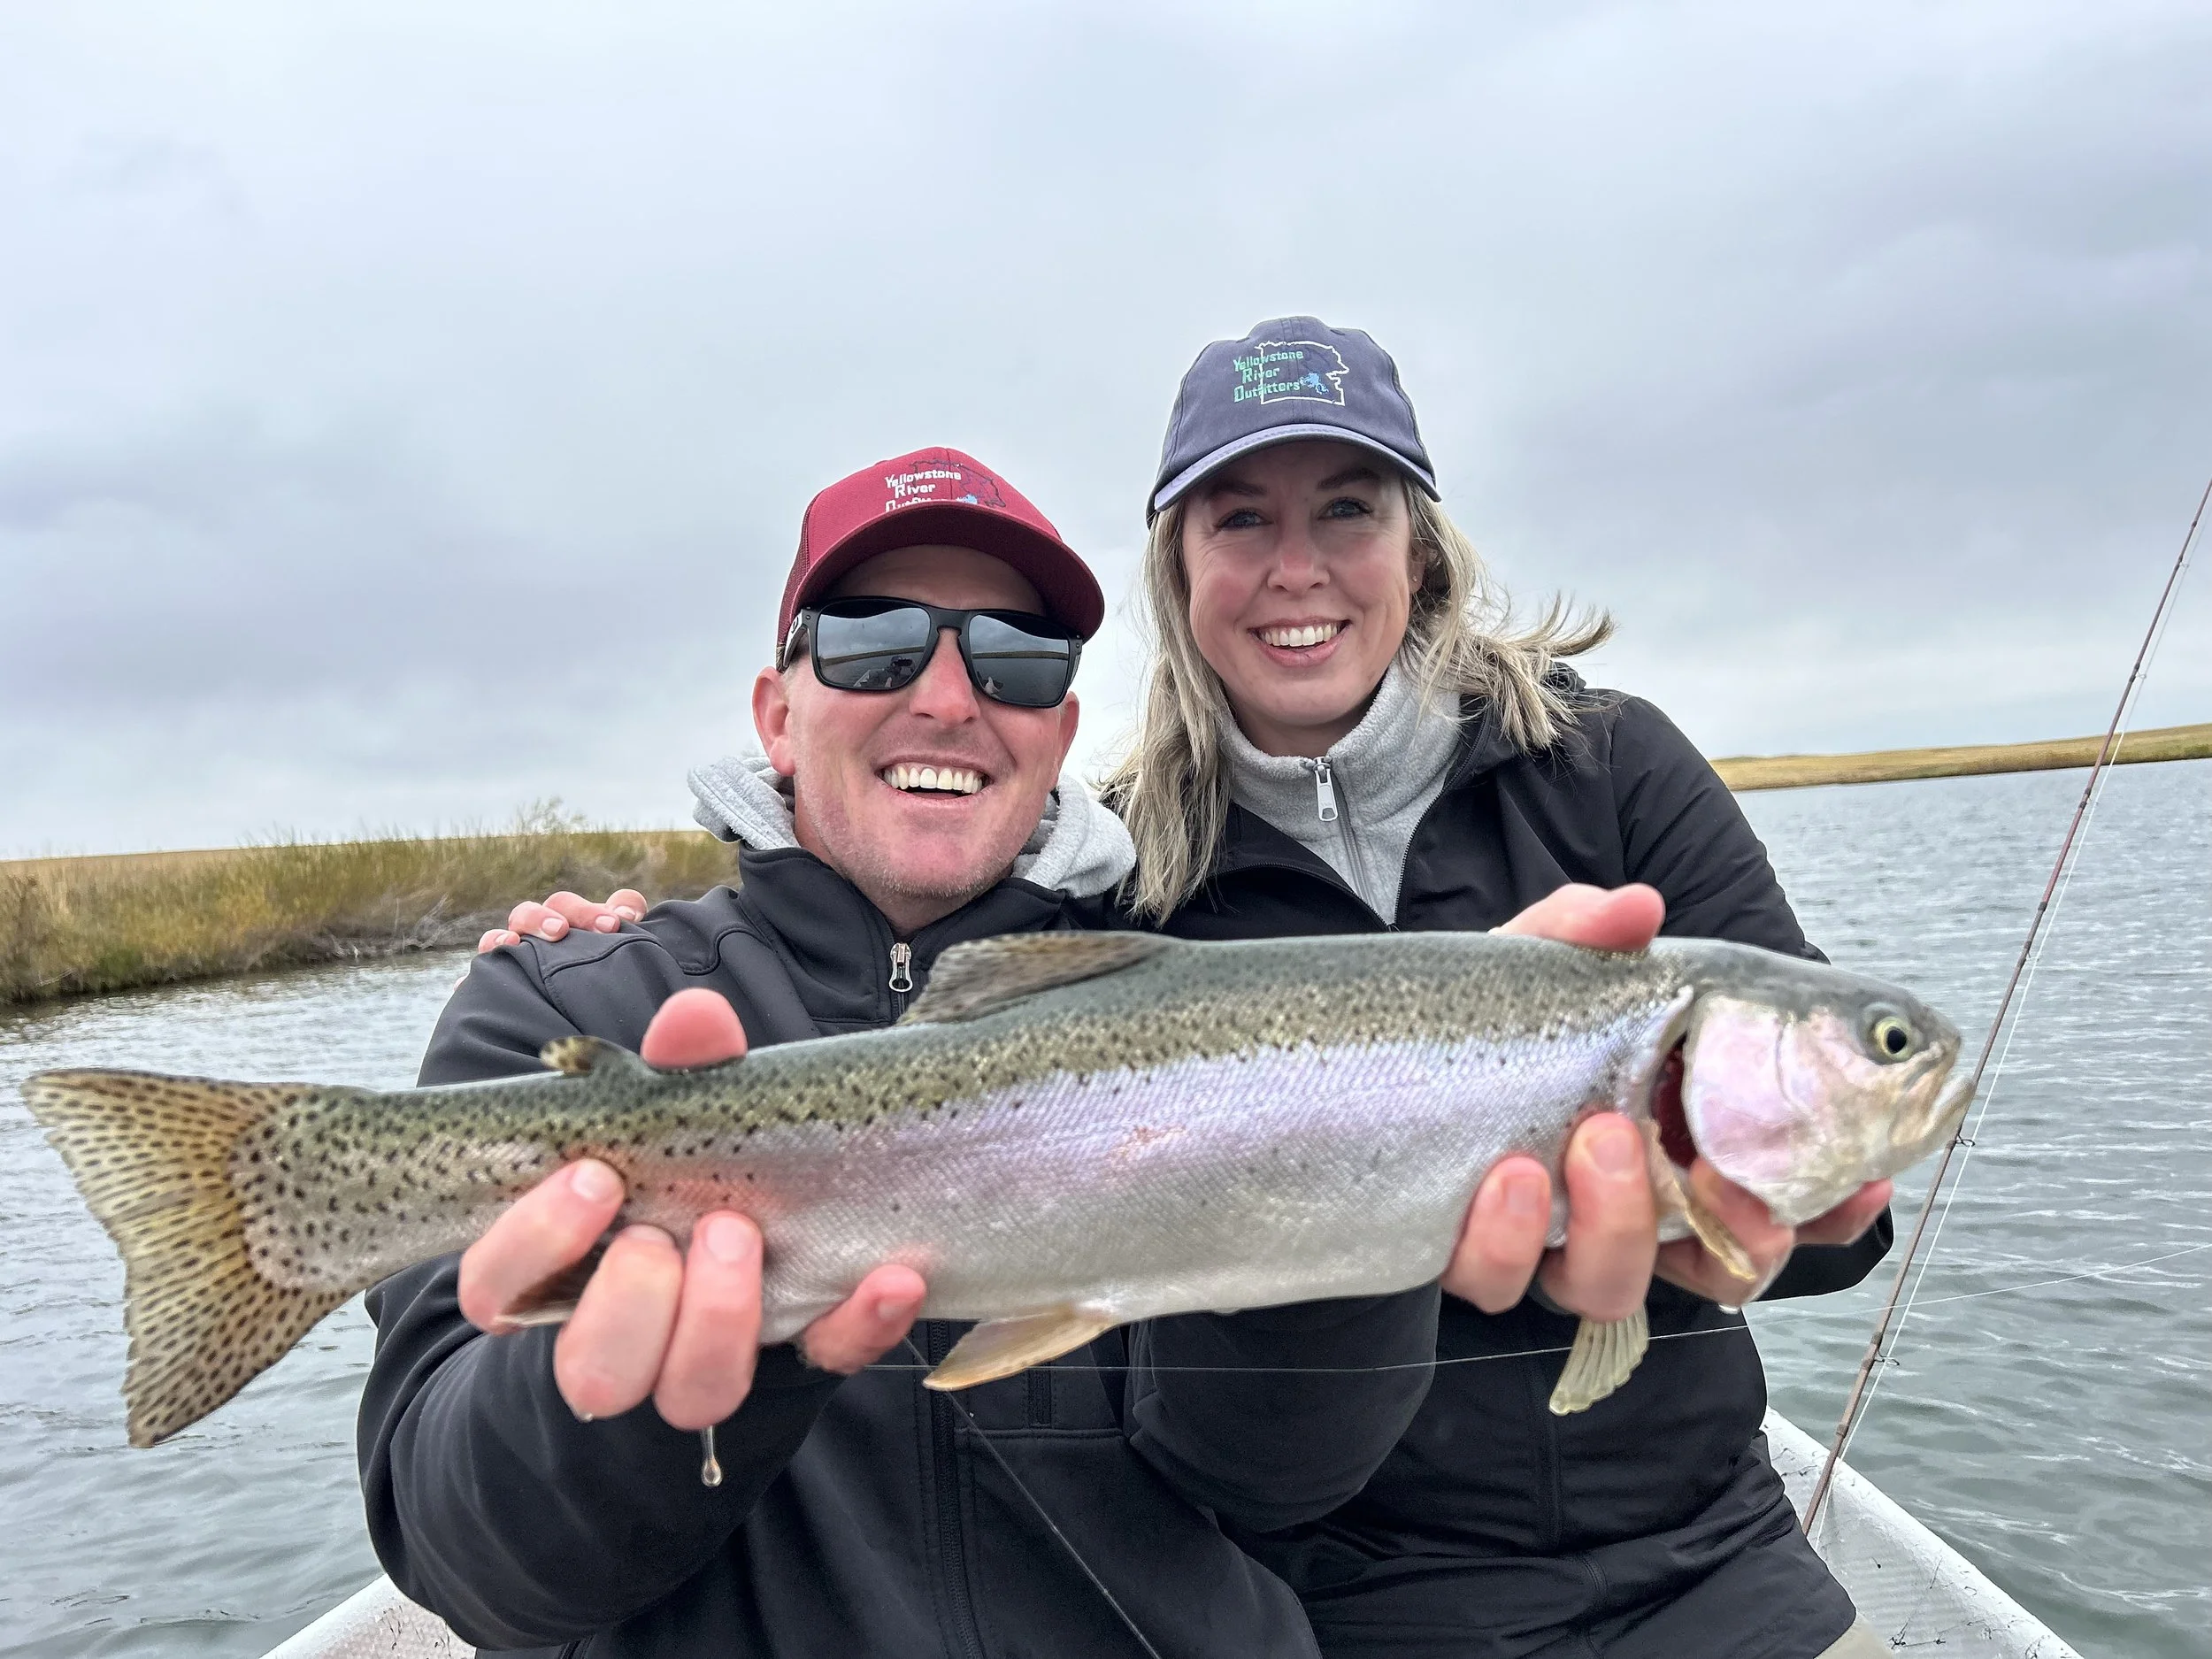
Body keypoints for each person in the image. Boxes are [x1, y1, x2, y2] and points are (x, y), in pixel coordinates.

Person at [369, 445, 1683, 1659]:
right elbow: (464, 1566)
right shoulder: (559, 1012)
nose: (947, 696)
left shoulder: (1197, 979)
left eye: (1015, 658)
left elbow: (1267, 1491)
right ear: (777, 712)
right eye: (876, 642)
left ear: (1060, 730)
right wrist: (671, 1379)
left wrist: (1336, 1206)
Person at [1092, 318, 1896, 1658]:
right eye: (1240, 520)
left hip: (1716, 1562)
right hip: (1344, 1600)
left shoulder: (1616, 766)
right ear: (1179, 569)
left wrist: (1787, 1213)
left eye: (1346, 508)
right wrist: (623, 930)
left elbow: (1838, 1218)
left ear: (1418, 545)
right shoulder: (1121, 872)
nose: (1297, 568)